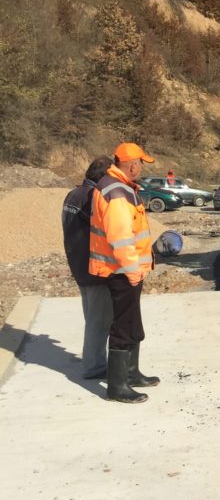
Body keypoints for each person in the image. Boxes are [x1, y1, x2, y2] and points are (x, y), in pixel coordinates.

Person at [89, 142, 160, 404]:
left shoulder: (120, 187)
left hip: (128, 270)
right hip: (122, 271)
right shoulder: (117, 192)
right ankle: (117, 386)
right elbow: (120, 239)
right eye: (141, 163)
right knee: (123, 326)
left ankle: (131, 373)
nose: (141, 167)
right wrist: (132, 272)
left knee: (132, 323)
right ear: (131, 164)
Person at [61, 155, 113, 380]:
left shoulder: (73, 195)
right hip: (94, 269)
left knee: (92, 316)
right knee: (99, 321)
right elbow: (104, 232)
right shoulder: (93, 198)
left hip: (78, 264)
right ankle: (94, 367)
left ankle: (94, 360)